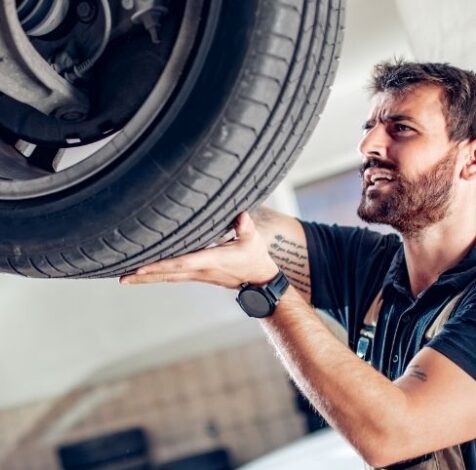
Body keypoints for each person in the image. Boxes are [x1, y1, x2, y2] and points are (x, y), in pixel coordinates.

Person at [121, 60, 476, 469]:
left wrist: (267, 292)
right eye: (369, 128)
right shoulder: (374, 271)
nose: (369, 147)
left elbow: (394, 433)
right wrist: (151, 119)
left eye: (401, 128)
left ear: (470, 159)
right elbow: (237, 222)